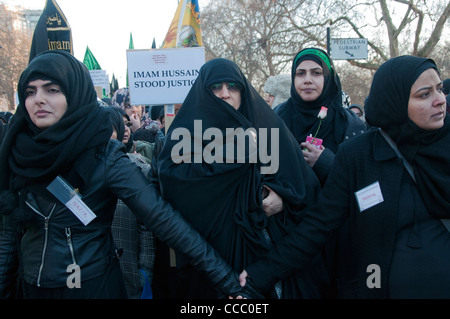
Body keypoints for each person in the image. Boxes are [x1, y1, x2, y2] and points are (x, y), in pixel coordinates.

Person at [0, 50, 253, 299]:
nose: (38, 99)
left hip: (90, 287)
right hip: (31, 288)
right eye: (30, 92)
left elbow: (162, 219)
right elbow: (7, 236)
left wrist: (227, 280)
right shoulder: (14, 151)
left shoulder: (103, 154)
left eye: (52, 90)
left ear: (74, 93)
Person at [238, 55, 450, 298]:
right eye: (425, 94)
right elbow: (318, 225)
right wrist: (262, 273)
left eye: (440, 89)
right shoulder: (361, 155)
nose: (440, 100)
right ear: (397, 100)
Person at [152, 58, 328, 299]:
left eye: (233, 86)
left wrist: (282, 198)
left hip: (268, 268)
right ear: (203, 92)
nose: (225, 94)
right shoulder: (185, 137)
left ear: (243, 90)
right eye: (216, 87)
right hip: (209, 269)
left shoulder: (270, 129)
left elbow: (307, 191)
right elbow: (176, 186)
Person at [274, 47, 366, 185]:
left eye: (316, 73)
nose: (307, 80)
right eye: (300, 73)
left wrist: (326, 162)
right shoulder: (275, 118)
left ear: (328, 78)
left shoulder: (349, 124)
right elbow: (261, 170)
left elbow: (362, 181)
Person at [108, 106, 155, 299]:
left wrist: (144, 270)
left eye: (127, 124)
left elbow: (148, 226)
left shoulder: (138, 170)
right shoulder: (77, 171)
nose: (126, 129)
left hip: (129, 273)